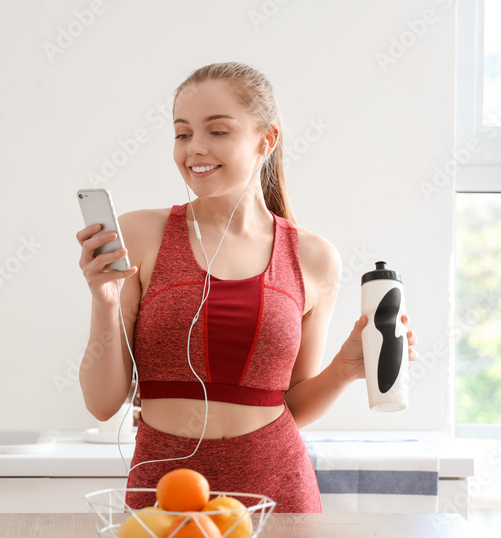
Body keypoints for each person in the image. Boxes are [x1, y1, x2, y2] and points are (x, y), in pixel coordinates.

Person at [75, 62, 417, 513]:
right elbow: (102, 405)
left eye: (217, 132)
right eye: (182, 134)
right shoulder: (139, 234)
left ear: (266, 140)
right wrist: (104, 300)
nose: (194, 148)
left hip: (276, 490)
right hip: (166, 492)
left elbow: (292, 406)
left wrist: (345, 369)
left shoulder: (312, 257)